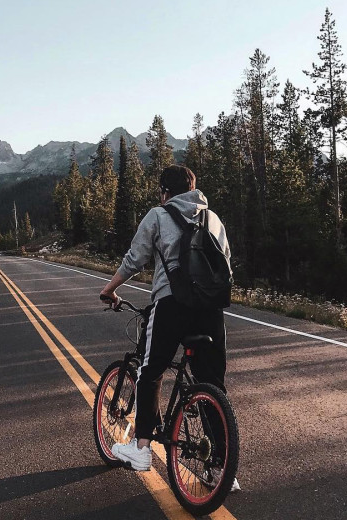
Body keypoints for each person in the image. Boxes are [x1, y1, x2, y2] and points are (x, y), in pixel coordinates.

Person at [99, 164, 240, 492]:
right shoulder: (213, 219)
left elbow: (135, 259)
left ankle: (142, 448)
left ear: (165, 191)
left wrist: (109, 290)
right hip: (211, 311)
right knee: (211, 384)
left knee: (150, 370)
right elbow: (226, 265)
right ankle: (221, 469)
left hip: (172, 305)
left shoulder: (159, 215)